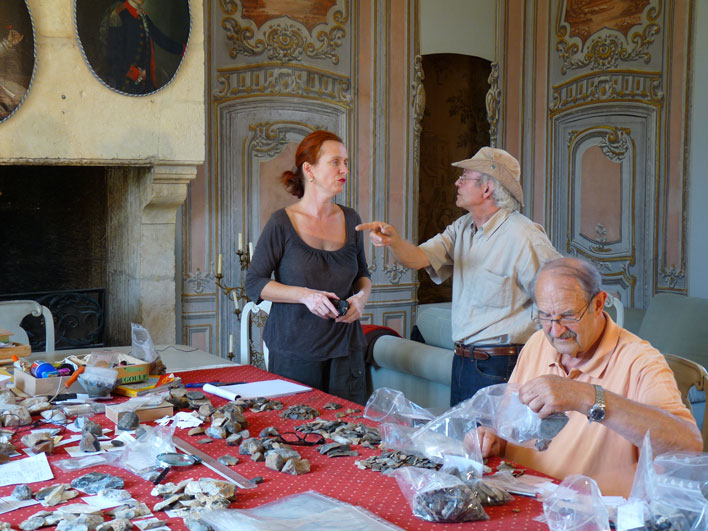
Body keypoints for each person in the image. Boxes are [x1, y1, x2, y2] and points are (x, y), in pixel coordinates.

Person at [470, 257, 702, 497]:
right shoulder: (537, 342)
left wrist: (589, 398)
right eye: (546, 316)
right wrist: (494, 437)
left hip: (589, 516)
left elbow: (688, 447)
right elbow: (509, 423)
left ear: (599, 304)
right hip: (519, 499)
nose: (556, 330)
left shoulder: (641, 361)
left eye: (568, 316)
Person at [357, 147, 560, 406]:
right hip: (463, 362)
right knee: (464, 443)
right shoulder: (463, 227)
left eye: (464, 177)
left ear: (487, 189)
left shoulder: (524, 236)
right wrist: (393, 241)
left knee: (492, 445)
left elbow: (558, 295)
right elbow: (418, 258)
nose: (457, 182)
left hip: (501, 365)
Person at [245, 130, 372, 405]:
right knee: (296, 436)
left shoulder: (352, 219)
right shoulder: (281, 222)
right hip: (294, 351)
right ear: (309, 169)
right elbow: (254, 282)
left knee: (351, 437)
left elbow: (362, 274)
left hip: (346, 350)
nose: (344, 169)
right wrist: (305, 295)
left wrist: (362, 299)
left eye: (346, 162)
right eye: (335, 162)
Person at [106, 0, 185, 94]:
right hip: (125, 84)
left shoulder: (141, 15)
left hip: (145, 83)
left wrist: (183, 50)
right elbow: (114, 56)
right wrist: (136, 74)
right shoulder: (118, 15)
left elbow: (159, 37)